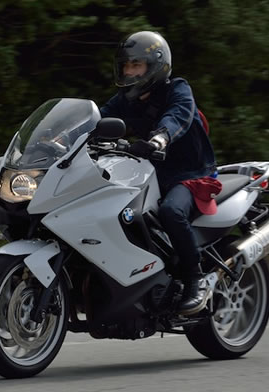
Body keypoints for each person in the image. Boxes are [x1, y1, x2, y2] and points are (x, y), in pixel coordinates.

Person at [99, 31, 218, 316]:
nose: (129, 71)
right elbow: (99, 119)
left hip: (190, 174)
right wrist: (61, 139)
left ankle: (195, 280)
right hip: (148, 173)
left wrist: (160, 138)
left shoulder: (178, 89)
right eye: (126, 65)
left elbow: (177, 115)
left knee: (171, 213)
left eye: (136, 65)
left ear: (155, 66)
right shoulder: (125, 99)